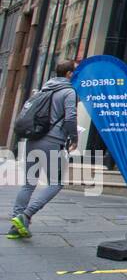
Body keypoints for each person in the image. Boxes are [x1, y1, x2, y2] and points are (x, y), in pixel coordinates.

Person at [8, 60, 79, 239]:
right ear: (69, 74)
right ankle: (25, 216)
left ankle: (15, 226)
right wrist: (74, 138)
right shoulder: (68, 91)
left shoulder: (44, 89)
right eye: (74, 71)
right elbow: (70, 117)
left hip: (33, 139)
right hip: (52, 141)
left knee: (28, 183)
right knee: (56, 183)